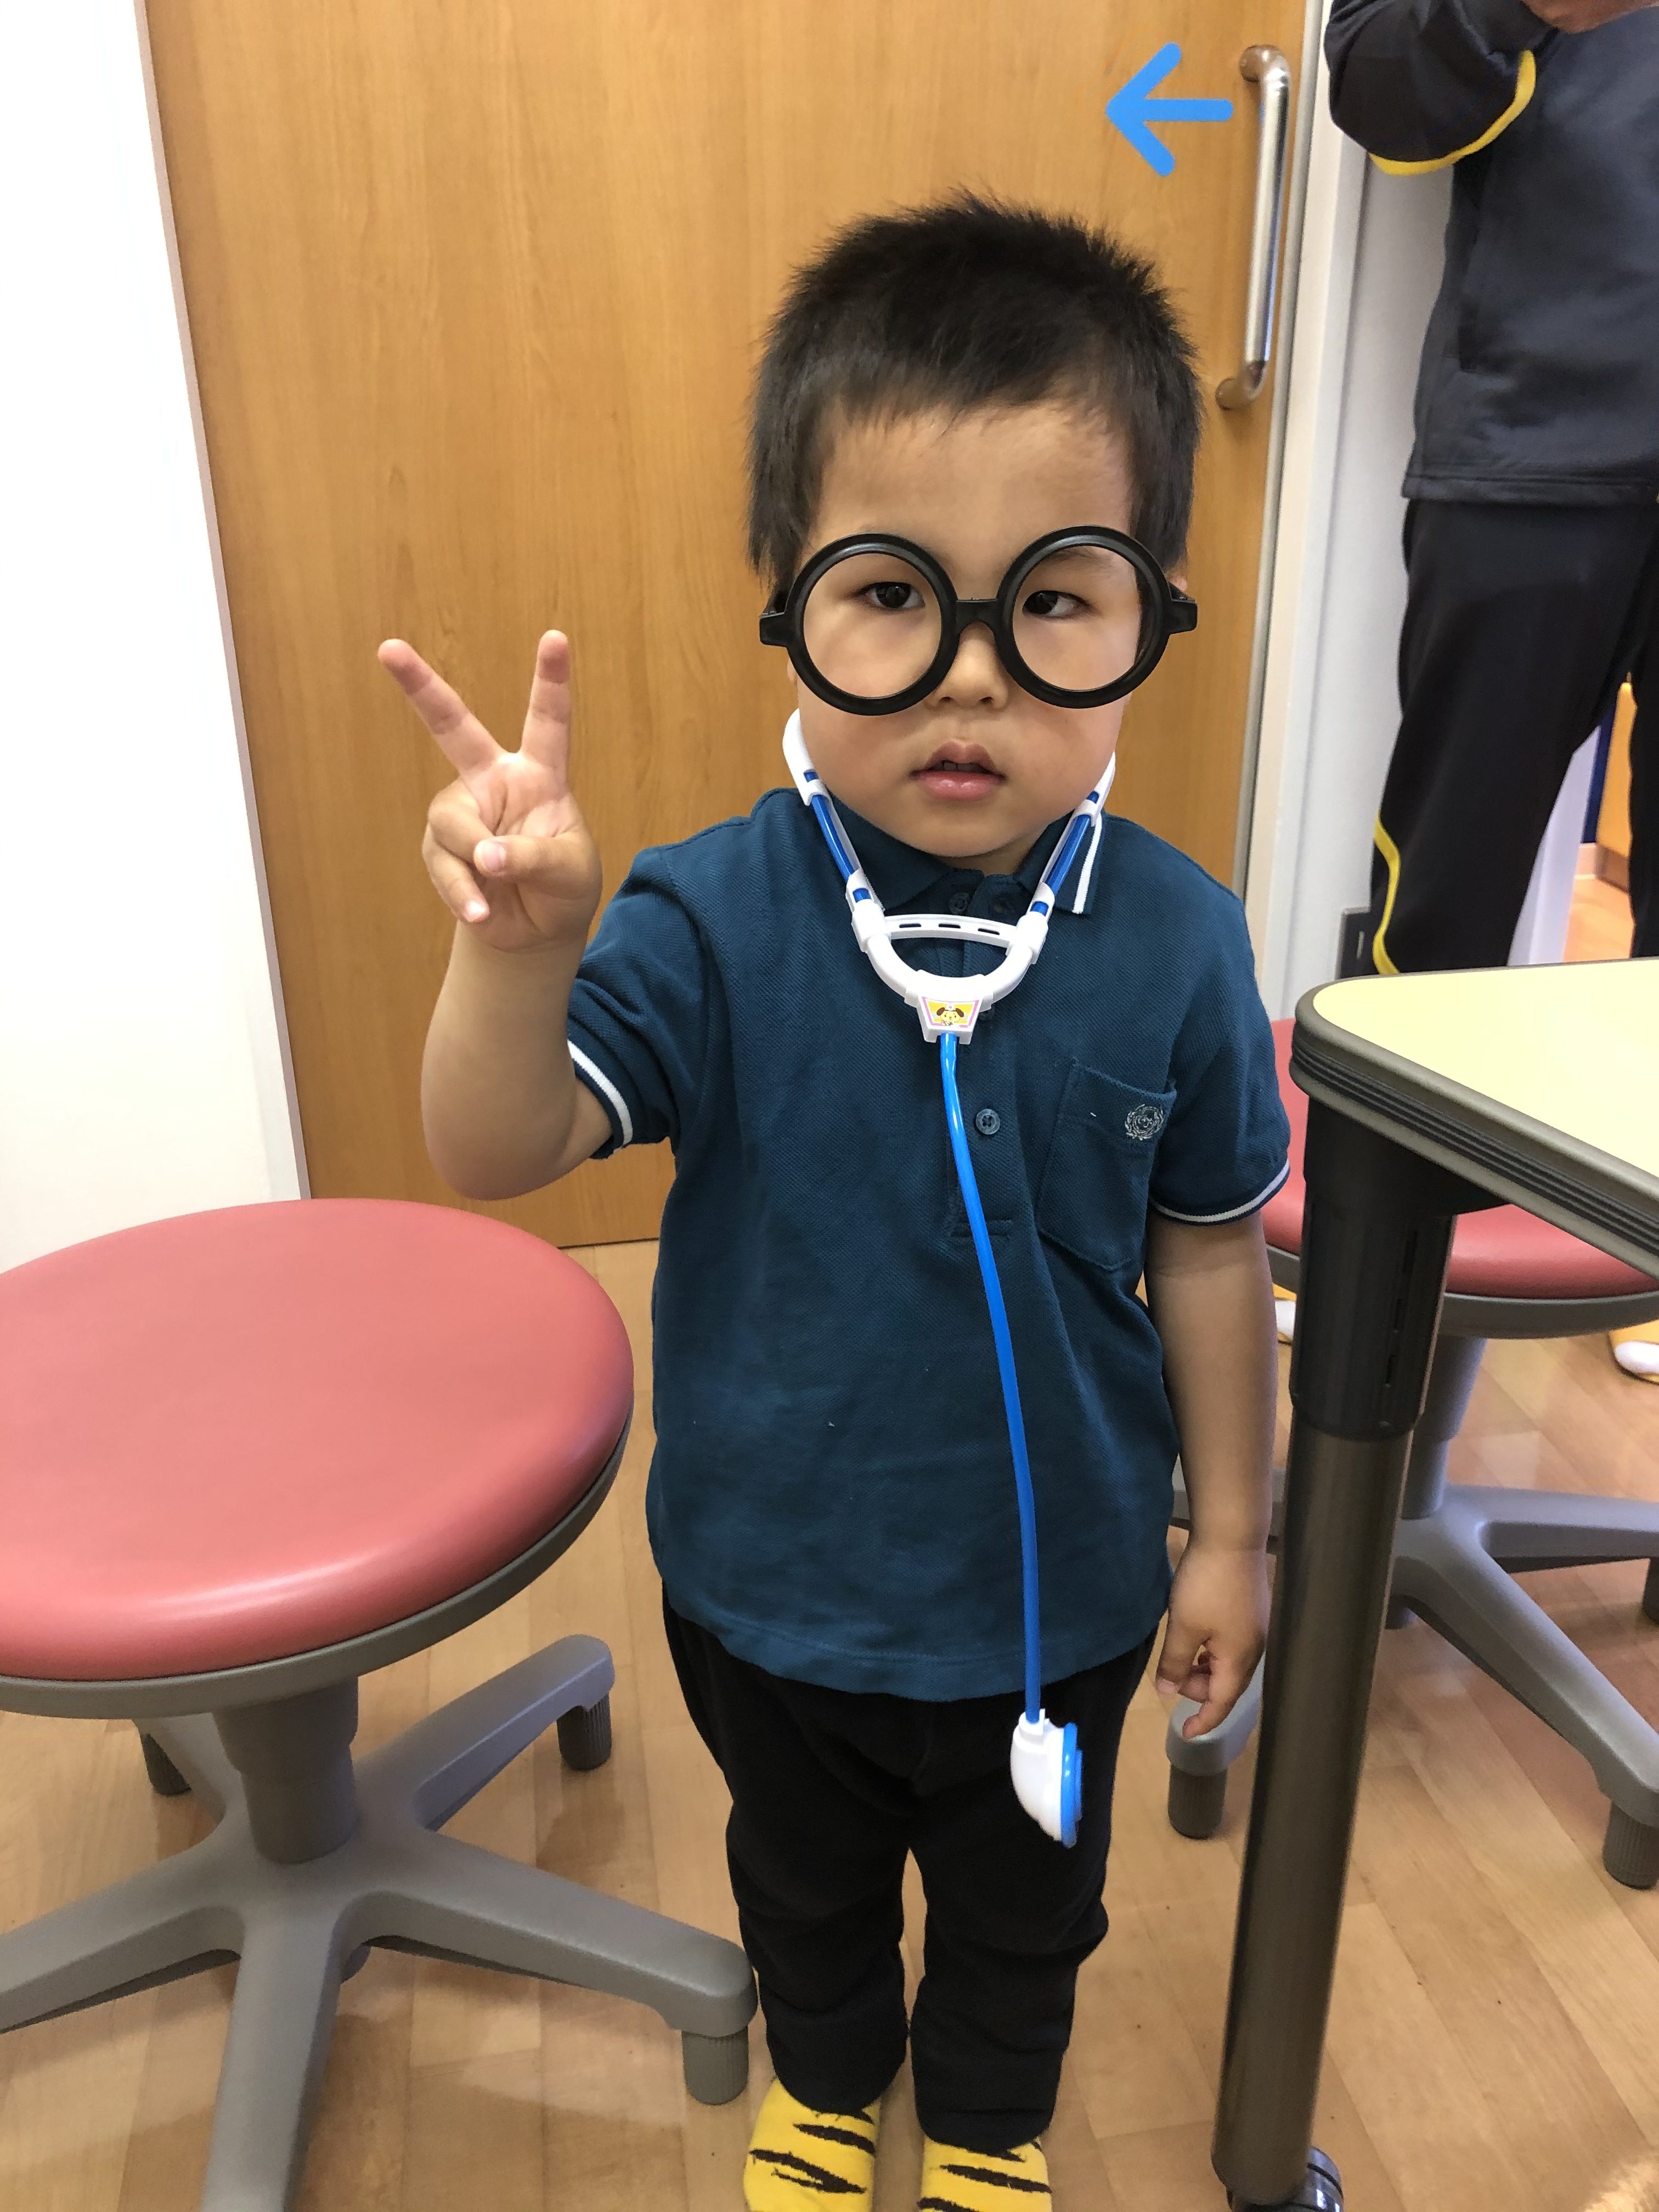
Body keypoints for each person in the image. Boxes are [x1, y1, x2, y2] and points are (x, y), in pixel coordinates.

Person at [381, 199, 1288, 2212]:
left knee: (1029, 1903)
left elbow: (1213, 1245)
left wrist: (1229, 1532)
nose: (969, 678)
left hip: (1058, 1604)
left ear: (1151, 610)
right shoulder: (711, 917)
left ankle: (982, 2119)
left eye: (1053, 601)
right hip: (771, 1590)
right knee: (799, 1883)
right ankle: (820, 2083)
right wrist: (518, 956)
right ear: (786, 602)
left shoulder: (1177, 940)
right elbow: (497, 1145)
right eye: (891, 596)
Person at [1326, 0, 1659, 1379]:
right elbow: (1374, 83)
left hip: (1536, 438)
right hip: (1534, 443)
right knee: (1445, 892)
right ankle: (1371, 1265)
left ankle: (1646, 1270)